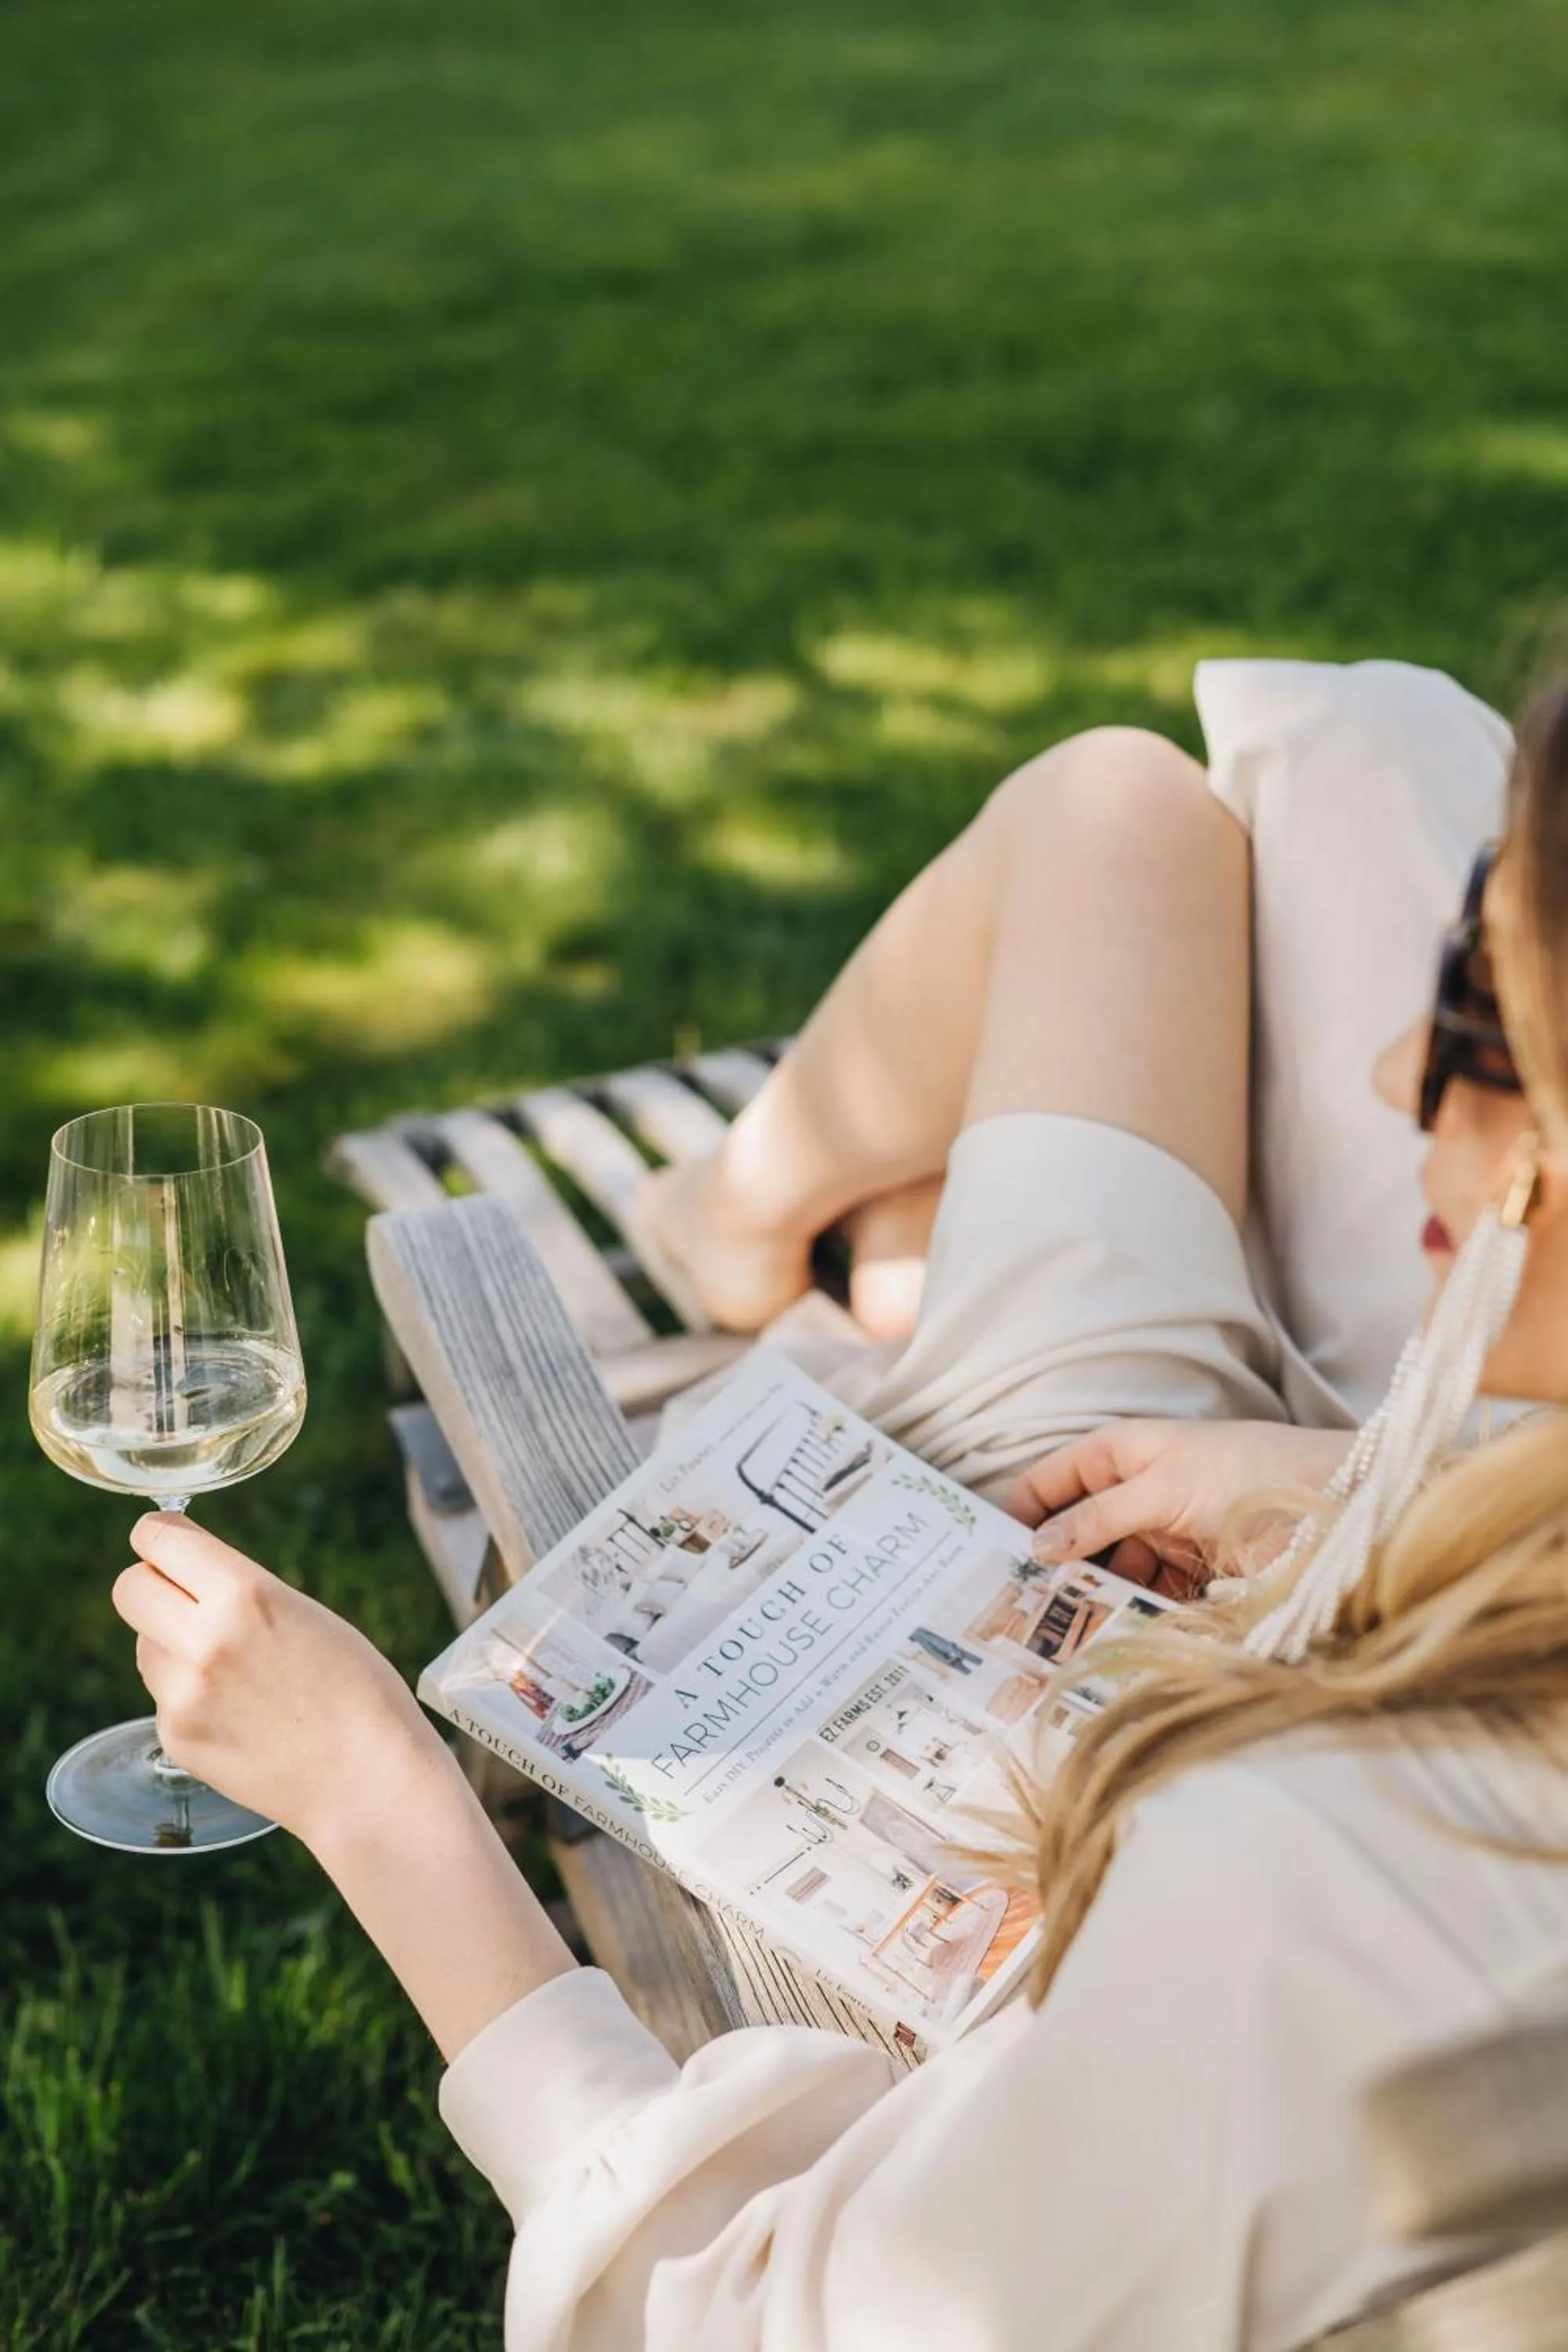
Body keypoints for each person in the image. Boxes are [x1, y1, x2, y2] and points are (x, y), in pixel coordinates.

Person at [111, 671, 1568, 2350]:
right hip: (1354, 1498)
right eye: (1462, 969)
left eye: (1483, 1038)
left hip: (1113, 1722)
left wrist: (371, 1789)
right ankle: (794, 1234)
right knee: (1232, 771)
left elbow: (732, 2318)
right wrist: (1355, 1491)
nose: (1405, 1070)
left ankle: (787, 1232)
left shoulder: (1340, 1919)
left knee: (1110, 814)